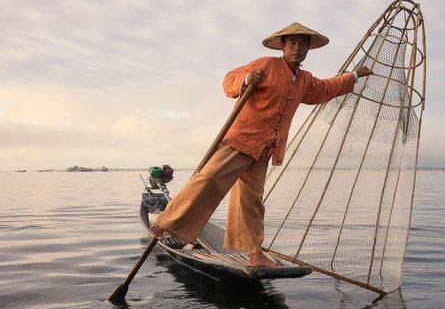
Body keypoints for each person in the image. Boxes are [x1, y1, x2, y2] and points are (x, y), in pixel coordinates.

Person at [149, 22, 373, 267]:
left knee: (251, 200)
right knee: (210, 179)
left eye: (303, 44)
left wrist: (354, 75)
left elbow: (325, 89)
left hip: (266, 148)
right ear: (283, 46)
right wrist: (247, 79)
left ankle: (254, 254)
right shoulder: (266, 64)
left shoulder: (305, 80)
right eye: (292, 43)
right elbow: (229, 81)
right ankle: (165, 222)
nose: (297, 48)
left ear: (308, 49)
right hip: (241, 138)